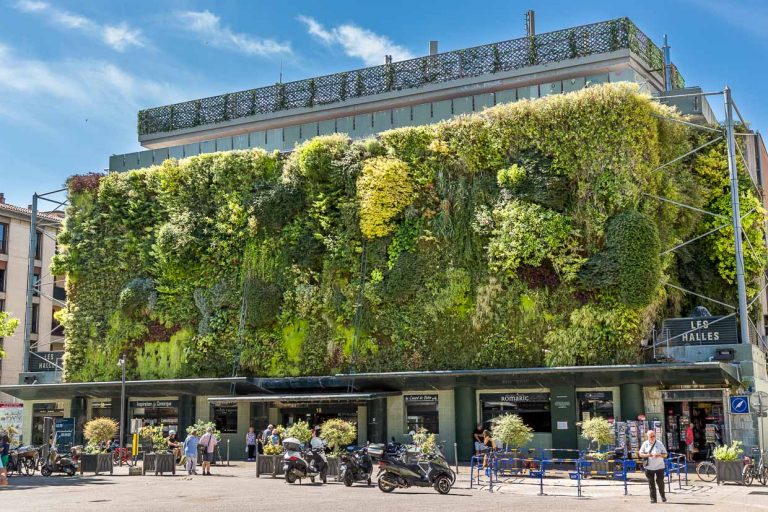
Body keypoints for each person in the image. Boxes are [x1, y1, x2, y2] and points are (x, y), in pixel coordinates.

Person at [639, 430, 668, 504]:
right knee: (651, 484)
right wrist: (648, 455)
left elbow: (665, 455)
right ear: (647, 437)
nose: (652, 437)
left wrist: (659, 455)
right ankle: (653, 499)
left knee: (660, 482)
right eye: (650, 436)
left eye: (653, 436)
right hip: (649, 467)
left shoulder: (659, 443)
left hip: (659, 466)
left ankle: (663, 496)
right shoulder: (645, 444)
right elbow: (640, 454)